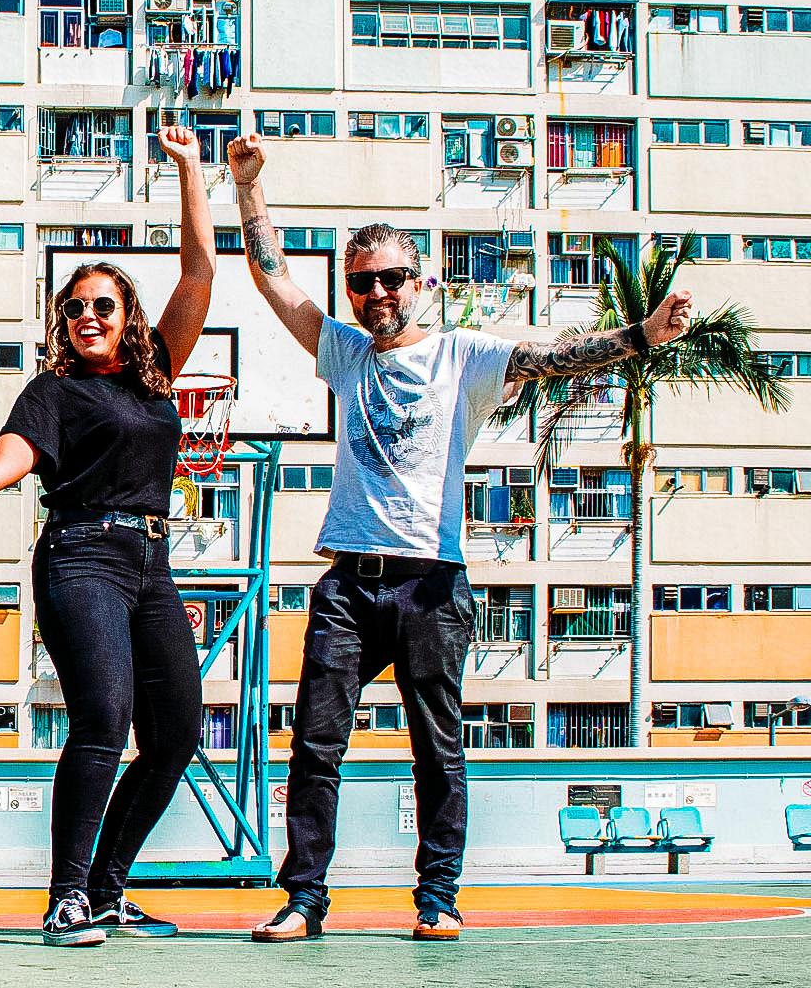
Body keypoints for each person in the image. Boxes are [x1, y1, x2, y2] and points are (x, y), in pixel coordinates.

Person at [224, 132, 691, 943]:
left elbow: (556, 356)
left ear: (418, 283)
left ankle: (437, 897)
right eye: (361, 281)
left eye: (390, 278)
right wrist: (248, 185)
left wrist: (643, 335)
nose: (376, 292)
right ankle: (304, 898)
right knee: (315, 744)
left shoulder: (462, 356)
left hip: (432, 583)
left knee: (437, 748)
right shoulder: (343, 352)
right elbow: (273, 277)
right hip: (348, 582)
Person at [0, 127, 215, 947]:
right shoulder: (52, 392)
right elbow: (2, 462)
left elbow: (200, 272)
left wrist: (191, 170)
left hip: (151, 561)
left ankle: (108, 888)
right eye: (75, 307)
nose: (87, 315)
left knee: (175, 735)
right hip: (81, 555)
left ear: (127, 317)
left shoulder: (156, 372)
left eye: (103, 305)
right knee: (104, 716)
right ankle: (66, 897)